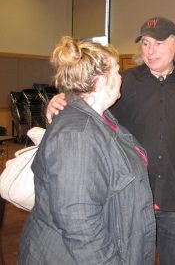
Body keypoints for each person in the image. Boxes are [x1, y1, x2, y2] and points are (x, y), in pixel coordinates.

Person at [47, 17, 175, 265]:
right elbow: (87, 103)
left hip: (174, 200)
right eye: (146, 43)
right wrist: (60, 100)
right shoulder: (119, 83)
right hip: (128, 202)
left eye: (158, 43)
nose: (150, 51)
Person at [18, 36, 156, 265]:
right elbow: (79, 224)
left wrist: (135, 201)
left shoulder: (100, 119)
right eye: (116, 72)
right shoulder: (77, 135)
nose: (121, 78)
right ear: (102, 81)